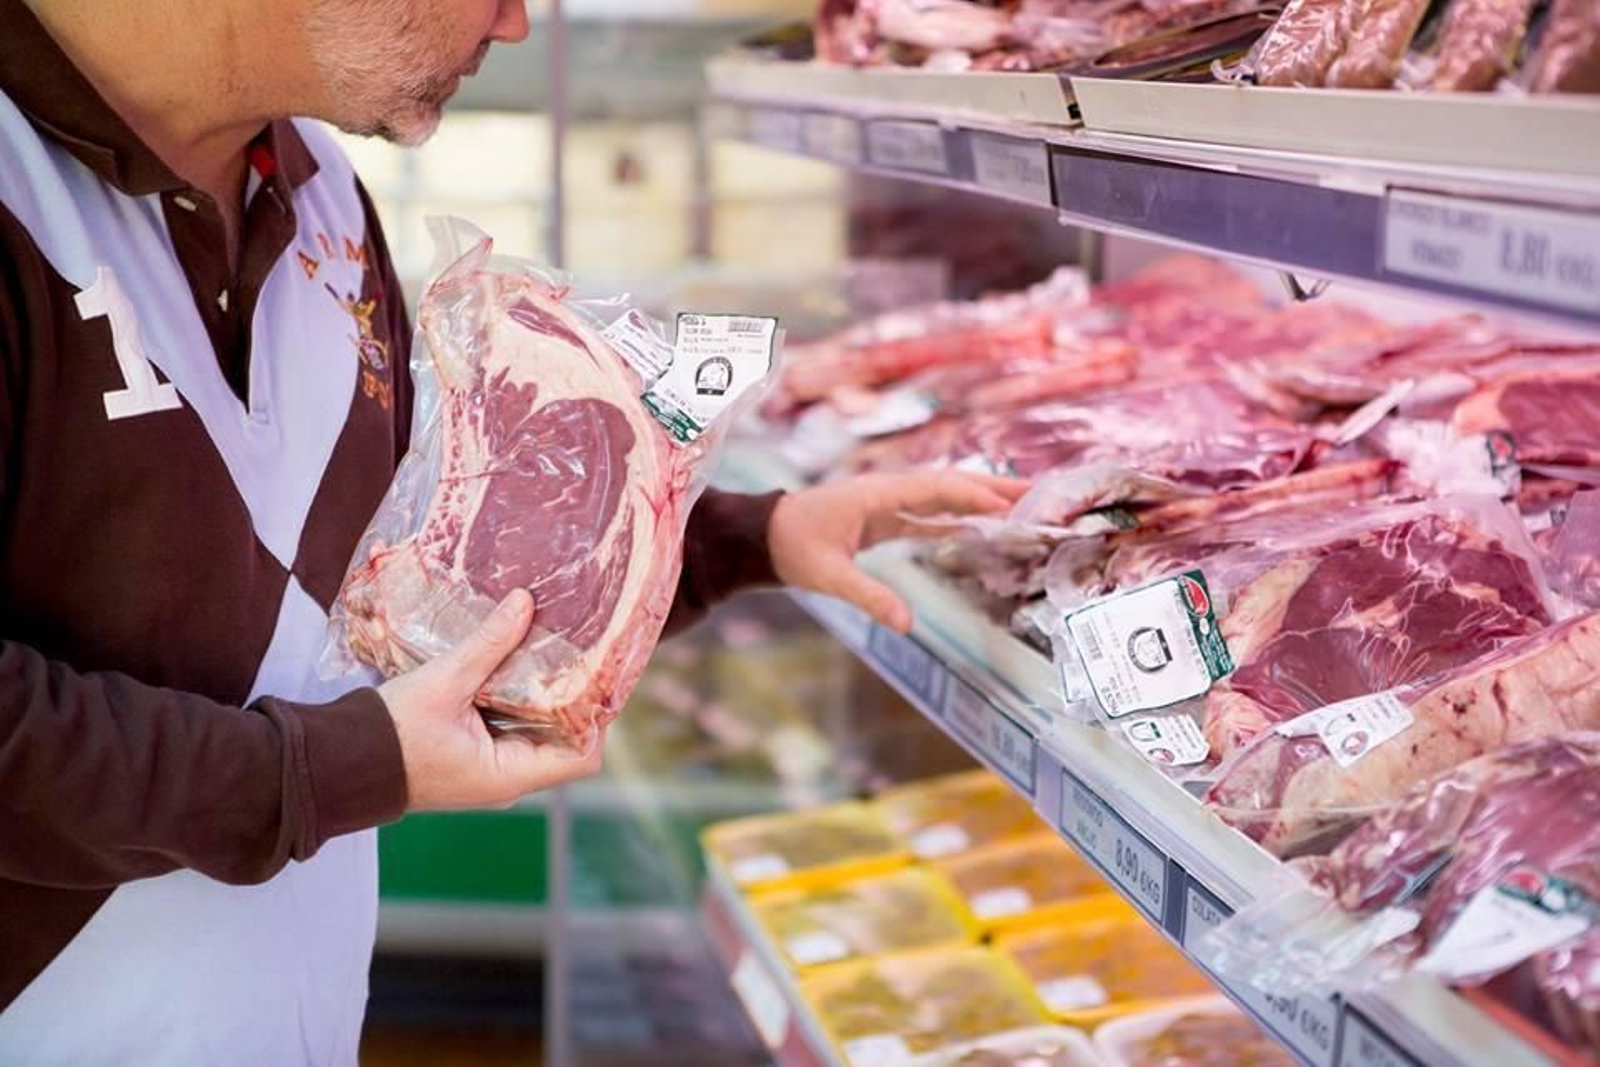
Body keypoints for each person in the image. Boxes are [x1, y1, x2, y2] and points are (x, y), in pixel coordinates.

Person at [0, 0, 1023, 1062]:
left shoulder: (316, 189)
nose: (519, 24)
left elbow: (412, 545)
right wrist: (335, 768)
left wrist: (743, 538)